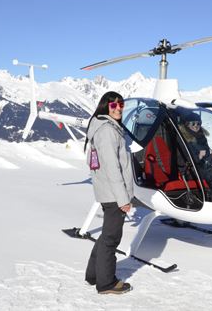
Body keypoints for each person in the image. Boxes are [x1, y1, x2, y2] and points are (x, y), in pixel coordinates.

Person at [83, 91, 134, 295]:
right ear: (106, 107)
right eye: (113, 105)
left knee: (106, 235)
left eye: (121, 104)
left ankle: (93, 275)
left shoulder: (106, 127)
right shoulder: (107, 131)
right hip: (113, 194)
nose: (118, 108)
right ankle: (106, 283)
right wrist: (123, 199)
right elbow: (113, 168)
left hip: (108, 192)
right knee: (112, 238)